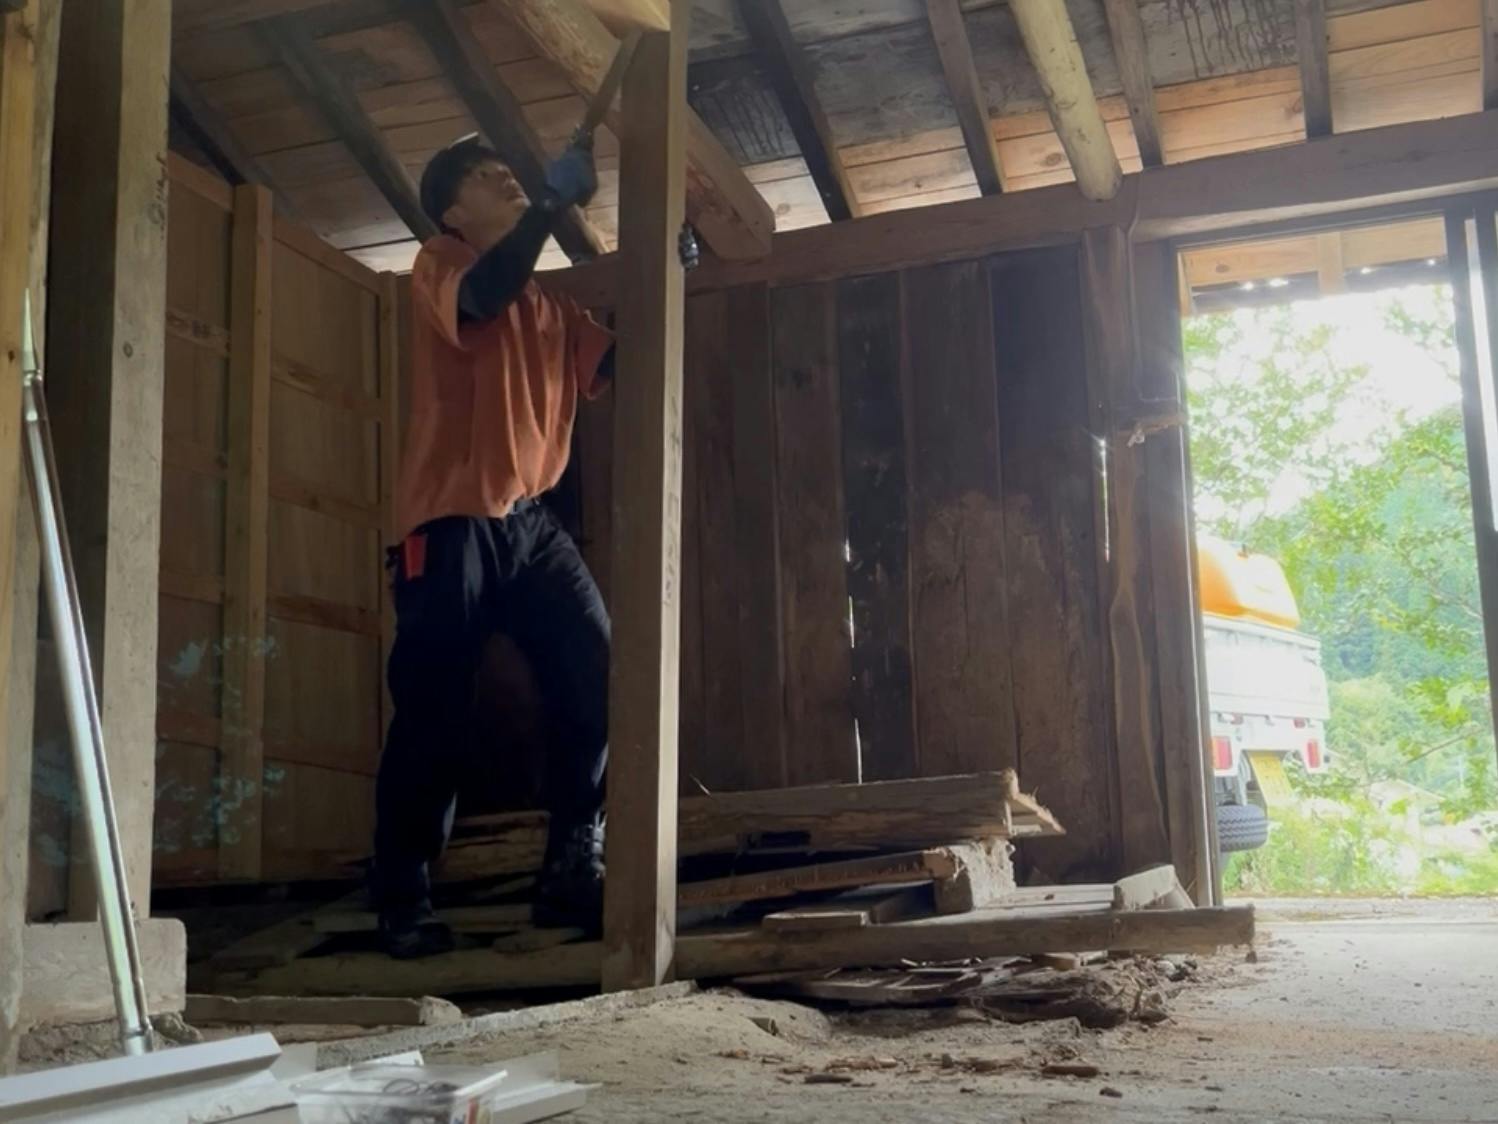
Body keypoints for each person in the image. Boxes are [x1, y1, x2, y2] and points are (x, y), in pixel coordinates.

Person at [372, 135, 613, 959]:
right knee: (435, 701)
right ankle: (403, 896)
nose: (506, 177)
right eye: (486, 176)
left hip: (530, 522)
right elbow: (481, 299)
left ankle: (570, 865)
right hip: (449, 517)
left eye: (510, 172)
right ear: (452, 211)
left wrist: (676, 271)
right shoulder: (440, 263)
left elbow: (621, 361)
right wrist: (547, 207)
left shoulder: (551, 306)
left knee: (593, 670)